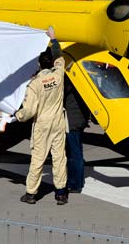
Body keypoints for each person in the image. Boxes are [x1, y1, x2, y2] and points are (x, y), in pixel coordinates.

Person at [15, 26, 68, 205]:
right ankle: (61, 193)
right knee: (59, 157)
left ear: (39, 64)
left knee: (38, 159)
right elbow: (60, 57)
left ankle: (31, 193)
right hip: (58, 121)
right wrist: (53, 39)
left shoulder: (35, 84)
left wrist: (18, 115)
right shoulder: (59, 75)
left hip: (43, 124)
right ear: (52, 63)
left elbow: (29, 111)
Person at [64, 77, 90, 193]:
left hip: (72, 120)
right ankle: (78, 181)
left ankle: (74, 184)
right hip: (80, 119)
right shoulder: (83, 80)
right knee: (78, 151)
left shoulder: (70, 82)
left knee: (73, 154)